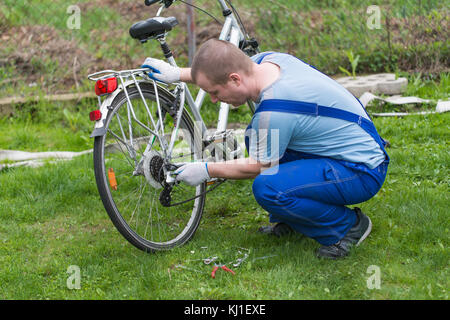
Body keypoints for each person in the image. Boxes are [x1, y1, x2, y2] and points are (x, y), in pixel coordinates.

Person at [141, 39, 389, 259]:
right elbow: (223, 69)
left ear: (235, 80)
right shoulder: (266, 62)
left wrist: (205, 169)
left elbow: (258, 166)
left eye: (215, 93)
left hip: (361, 170)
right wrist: (177, 73)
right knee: (256, 138)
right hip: (352, 144)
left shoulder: (276, 108)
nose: (214, 100)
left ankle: (348, 227)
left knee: (268, 187)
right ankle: (295, 219)